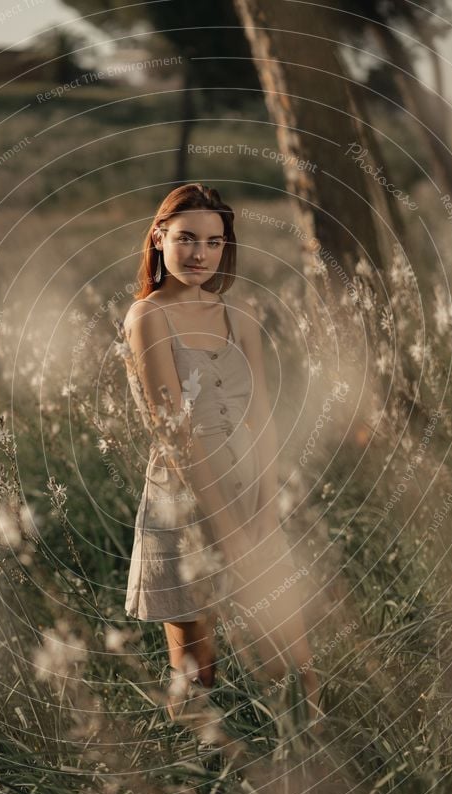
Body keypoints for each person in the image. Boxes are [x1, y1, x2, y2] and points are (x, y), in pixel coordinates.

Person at [122, 183, 320, 725]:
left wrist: (262, 507)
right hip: (185, 498)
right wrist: (225, 525)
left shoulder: (241, 312)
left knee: (291, 650)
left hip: (252, 489)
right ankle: (194, 770)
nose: (199, 254)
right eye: (186, 239)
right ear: (159, 237)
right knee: (196, 668)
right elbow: (174, 433)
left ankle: (308, 750)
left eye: (213, 242)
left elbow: (261, 415)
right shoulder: (147, 317)